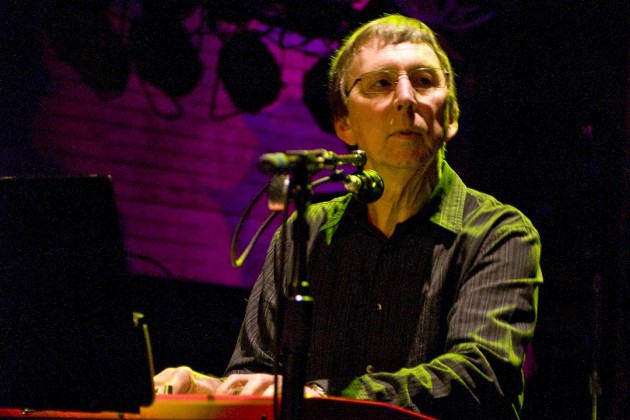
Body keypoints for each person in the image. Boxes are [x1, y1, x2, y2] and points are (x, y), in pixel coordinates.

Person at [154, 14, 543, 419]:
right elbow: (257, 376)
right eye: (381, 83)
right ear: (343, 124)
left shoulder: (499, 233)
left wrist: (322, 396)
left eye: (424, 81)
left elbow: (478, 378)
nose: (406, 97)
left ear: (451, 117)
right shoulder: (305, 232)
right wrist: (207, 390)